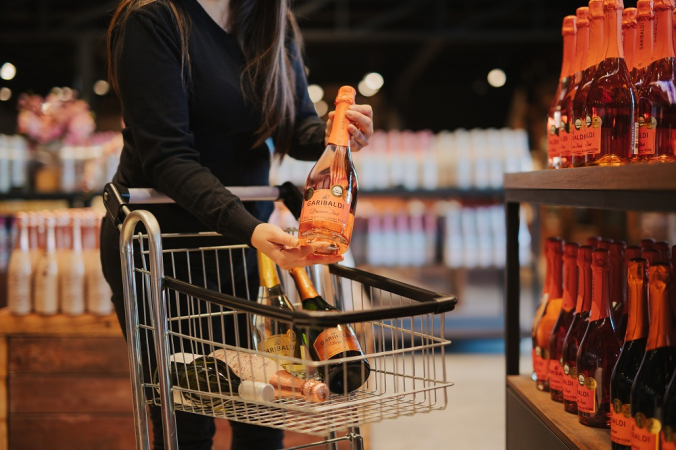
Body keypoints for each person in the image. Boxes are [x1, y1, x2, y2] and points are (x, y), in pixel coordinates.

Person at [100, 0, 374, 449]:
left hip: (245, 249)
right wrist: (249, 228)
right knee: (188, 416)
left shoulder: (269, 17)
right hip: (165, 252)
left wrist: (337, 133)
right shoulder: (152, 20)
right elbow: (168, 157)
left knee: (267, 402)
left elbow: (296, 125)